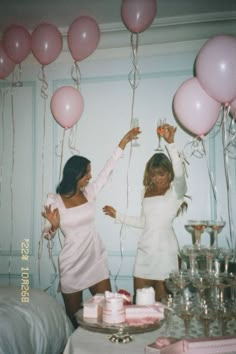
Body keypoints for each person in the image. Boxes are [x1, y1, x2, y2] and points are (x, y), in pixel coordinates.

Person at [42, 127, 140, 328]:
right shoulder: (54, 200)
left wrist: (122, 143)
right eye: (87, 172)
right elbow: (47, 234)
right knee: (75, 317)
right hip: (71, 264)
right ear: (76, 174)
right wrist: (52, 227)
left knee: (109, 311)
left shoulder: (89, 193)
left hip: (95, 259)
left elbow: (107, 170)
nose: (90, 176)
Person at [103, 123, 187, 302]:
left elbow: (180, 175)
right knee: (140, 305)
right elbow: (143, 222)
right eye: (154, 174)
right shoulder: (146, 192)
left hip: (166, 254)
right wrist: (118, 216)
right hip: (145, 253)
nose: (157, 178)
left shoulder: (175, 191)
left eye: (161, 174)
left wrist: (171, 144)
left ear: (169, 173)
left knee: (164, 309)